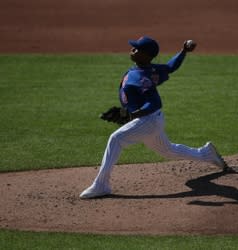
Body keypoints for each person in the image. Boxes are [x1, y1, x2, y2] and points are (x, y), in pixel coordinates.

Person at [80, 36, 228, 199]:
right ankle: (206, 154)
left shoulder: (142, 77)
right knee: (168, 151)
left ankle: (101, 185)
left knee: (116, 139)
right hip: (151, 120)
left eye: (136, 49)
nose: (132, 50)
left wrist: (132, 114)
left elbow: (155, 103)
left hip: (148, 121)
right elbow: (171, 67)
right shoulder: (151, 70)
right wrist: (183, 51)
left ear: (146, 55)